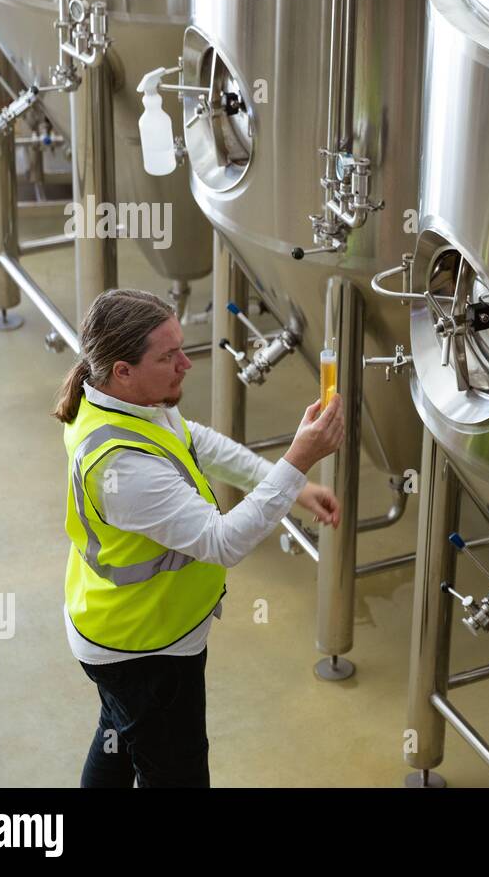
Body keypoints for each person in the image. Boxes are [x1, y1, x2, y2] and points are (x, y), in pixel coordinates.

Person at [52, 288, 344, 787]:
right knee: (176, 772)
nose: (186, 363)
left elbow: (197, 441)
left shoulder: (128, 402)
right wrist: (296, 463)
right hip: (143, 647)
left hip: (127, 629)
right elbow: (222, 542)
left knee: (120, 735)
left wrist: (288, 484)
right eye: (168, 356)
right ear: (123, 369)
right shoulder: (120, 464)